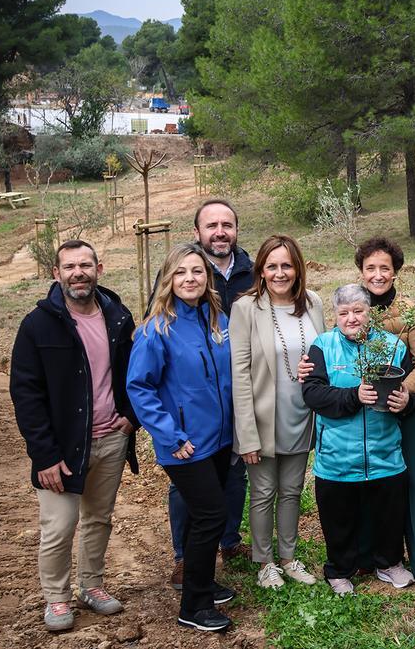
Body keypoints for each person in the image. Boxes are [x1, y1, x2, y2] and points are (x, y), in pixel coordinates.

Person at [10, 240, 139, 632]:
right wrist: (44, 455)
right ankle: (57, 598)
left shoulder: (118, 316)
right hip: (62, 449)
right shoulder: (38, 324)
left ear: (99, 268)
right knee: (59, 526)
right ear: (56, 273)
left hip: (111, 438)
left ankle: (92, 585)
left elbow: (137, 372)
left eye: (85, 264)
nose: (77, 272)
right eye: (69, 266)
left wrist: (131, 417)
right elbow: (25, 393)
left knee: (99, 518)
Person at [127, 243, 237, 632]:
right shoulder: (157, 329)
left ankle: (201, 581)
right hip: (185, 443)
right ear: (168, 279)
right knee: (212, 517)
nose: (190, 279)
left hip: (220, 439)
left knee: (197, 518)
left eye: (197, 272)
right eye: (181, 272)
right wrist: (171, 435)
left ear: (207, 278)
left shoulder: (215, 317)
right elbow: (140, 387)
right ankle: (194, 606)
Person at [153, 199, 254, 589]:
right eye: (211, 225)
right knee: (187, 488)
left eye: (227, 224)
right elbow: (156, 349)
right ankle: (185, 556)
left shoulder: (250, 271)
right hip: (190, 412)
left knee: (234, 475)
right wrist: (167, 424)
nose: (220, 231)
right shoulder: (184, 271)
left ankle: (228, 540)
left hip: (232, 402)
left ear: (236, 229)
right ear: (197, 232)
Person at [301, 285, 415, 595]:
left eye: (358, 311)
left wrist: (408, 402)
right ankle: (339, 569)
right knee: (339, 519)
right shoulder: (322, 347)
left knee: (389, 515)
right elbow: (312, 393)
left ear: (370, 313)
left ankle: (389, 563)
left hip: (385, 454)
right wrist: (354, 396)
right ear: (335, 316)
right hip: (338, 457)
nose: (351, 319)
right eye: (343, 313)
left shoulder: (392, 346)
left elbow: (411, 393)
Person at [354, 237, 415, 588]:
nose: (378, 275)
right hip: (363, 412)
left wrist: (406, 391)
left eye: (385, 268)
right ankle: (367, 556)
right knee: (365, 481)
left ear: (395, 272)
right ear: (361, 272)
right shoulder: (352, 306)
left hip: (404, 408)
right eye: (371, 268)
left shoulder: (410, 310)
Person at [229, 235, 324, 589]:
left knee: (292, 490)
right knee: (264, 491)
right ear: (261, 270)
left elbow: (323, 354)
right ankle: (265, 561)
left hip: (302, 413)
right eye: (272, 266)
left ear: (298, 268)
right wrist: (246, 434)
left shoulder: (312, 303)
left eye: (287, 265)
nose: (280, 273)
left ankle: (289, 556)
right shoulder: (245, 308)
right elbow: (239, 374)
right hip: (264, 417)